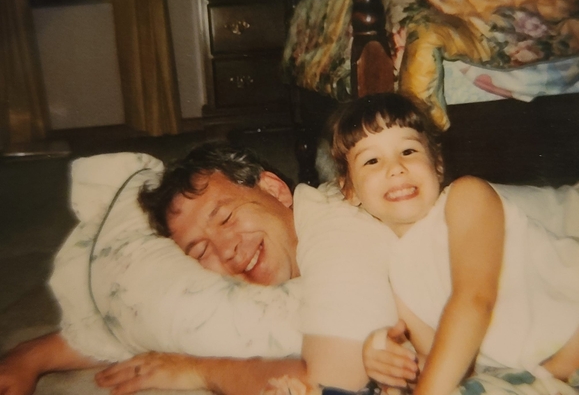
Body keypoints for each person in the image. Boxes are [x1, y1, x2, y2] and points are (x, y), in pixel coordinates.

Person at [1, 140, 578, 395]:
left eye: (226, 216)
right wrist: (34, 356)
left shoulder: (338, 227)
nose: (225, 251)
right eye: (199, 251)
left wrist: (202, 372)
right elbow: (164, 310)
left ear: (275, 189)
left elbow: (332, 385)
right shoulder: (285, 273)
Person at [329, 92, 579, 395]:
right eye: (372, 160)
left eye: (408, 151)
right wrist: (392, 362)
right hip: (544, 370)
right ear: (349, 190)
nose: (395, 168)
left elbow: (474, 300)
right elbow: (453, 366)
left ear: (437, 165)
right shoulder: (398, 277)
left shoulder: (466, 197)